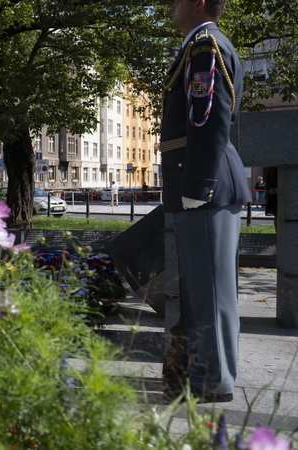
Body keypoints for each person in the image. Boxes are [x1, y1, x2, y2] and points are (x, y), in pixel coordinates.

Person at [160, 0, 251, 404]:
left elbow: (207, 118)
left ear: (198, 3)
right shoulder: (197, 45)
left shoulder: (205, 47)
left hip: (203, 186)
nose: (171, 7)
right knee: (202, 290)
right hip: (199, 184)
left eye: (176, 1)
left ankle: (213, 382)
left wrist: (196, 186)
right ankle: (203, 373)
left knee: (211, 291)